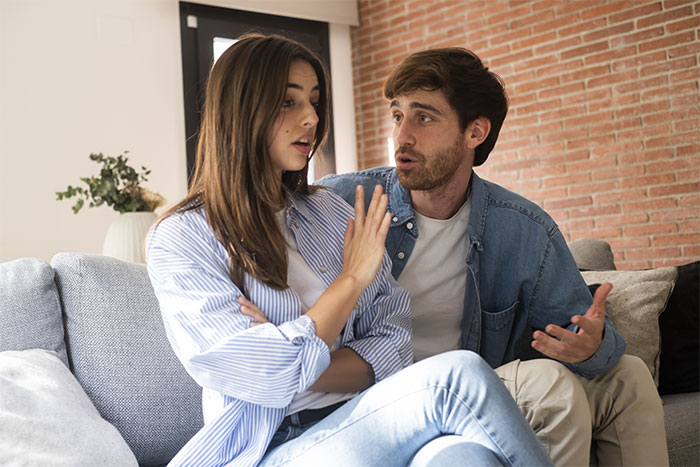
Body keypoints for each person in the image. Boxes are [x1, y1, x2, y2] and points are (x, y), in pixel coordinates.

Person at [146, 34, 552, 467]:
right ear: (241, 111)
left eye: (315, 102)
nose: (310, 118)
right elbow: (264, 376)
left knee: (469, 458)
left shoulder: (326, 208)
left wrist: (295, 350)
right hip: (271, 448)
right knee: (460, 376)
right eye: (289, 102)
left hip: (371, 418)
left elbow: (393, 342)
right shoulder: (182, 236)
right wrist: (351, 280)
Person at [321, 47, 668, 467]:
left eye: (424, 117)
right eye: (398, 115)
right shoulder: (342, 201)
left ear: (475, 132)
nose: (403, 135)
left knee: (629, 377)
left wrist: (589, 346)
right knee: (551, 386)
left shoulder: (522, 229)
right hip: (381, 405)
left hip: (473, 394)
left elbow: (583, 334)